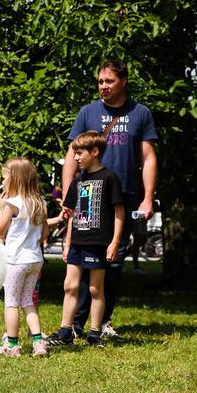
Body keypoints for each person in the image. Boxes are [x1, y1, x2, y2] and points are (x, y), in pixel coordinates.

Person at [62, 59, 158, 341]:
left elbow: (148, 158)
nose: (103, 86)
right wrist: (68, 195)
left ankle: (102, 321)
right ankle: (76, 324)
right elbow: (72, 154)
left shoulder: (140, 113)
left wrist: (148, 198)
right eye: (100, 81)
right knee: (81, 257)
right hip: (88, 194)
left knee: (112, 259)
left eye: (109, 81)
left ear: (123, 81)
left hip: (124, 194)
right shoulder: (87, 112)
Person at [49, 132, 125, 348]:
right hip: (77, 243)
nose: (75, 158)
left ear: (95, 152)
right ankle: (66, 332)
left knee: (95, 289)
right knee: (70, 286)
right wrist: (67, 244)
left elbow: (119, 212)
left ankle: (95, 333)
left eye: (79, 153)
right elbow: (71, 215)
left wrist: (115, 242)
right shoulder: (78, 180)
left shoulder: (109, 178)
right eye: (74, 154)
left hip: (98, 244)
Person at [0, 157, 50, 358]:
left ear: (14, 179)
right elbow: (45, 233)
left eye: (5, 177)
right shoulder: (40, 202)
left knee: (11, 302)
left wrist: (2, 205)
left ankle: (12, 345)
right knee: (28, 301)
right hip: (35, 259)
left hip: (16, 260)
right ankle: (38, 343)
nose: (3, 181)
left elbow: (0, 229)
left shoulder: (12, 203)